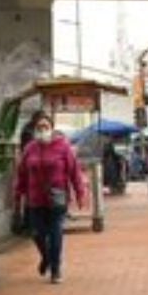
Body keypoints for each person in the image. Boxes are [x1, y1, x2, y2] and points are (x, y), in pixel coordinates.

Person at [14, 111, 87, 284]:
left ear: (52, 128)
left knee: (55, 234)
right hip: (35, 200)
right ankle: (46, 258)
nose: (42, 130)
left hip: (57, 199)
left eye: (45, 127)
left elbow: (74, 172)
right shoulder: (29, 148)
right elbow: (22, 174)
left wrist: (80, 193)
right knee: (37, 234)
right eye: (39, 127)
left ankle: (56, 270)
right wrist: (17, 196)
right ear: (34, 130)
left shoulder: (63, 147)